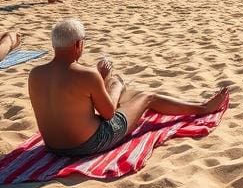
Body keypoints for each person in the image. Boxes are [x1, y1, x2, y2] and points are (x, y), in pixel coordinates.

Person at [28, 19, 229, 157]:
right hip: (87, 145)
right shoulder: (86, 74)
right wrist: (106, 80)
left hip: (54, 147)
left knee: (117, 92)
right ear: (78, 44)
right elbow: (108, 115)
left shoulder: (35, 74)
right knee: (147, 97)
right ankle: (203, 108)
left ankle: (120, 89)